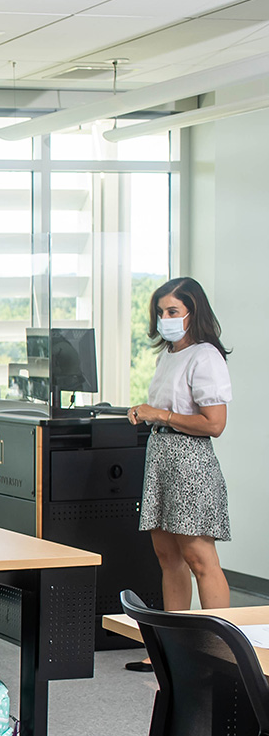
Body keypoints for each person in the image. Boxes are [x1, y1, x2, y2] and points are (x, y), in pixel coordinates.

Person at [124, 277, 232, 673]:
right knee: (168, 557)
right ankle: (171, 651)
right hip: (162, 457)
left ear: (193, 312)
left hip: (190, 462)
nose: (165, 319)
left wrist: (160, 414)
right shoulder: (168, 354)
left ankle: (220, 652)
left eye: (173, 311)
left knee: (199, 556)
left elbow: (215, 423)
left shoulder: (206, 356)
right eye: (161, 312)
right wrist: (146, 413)